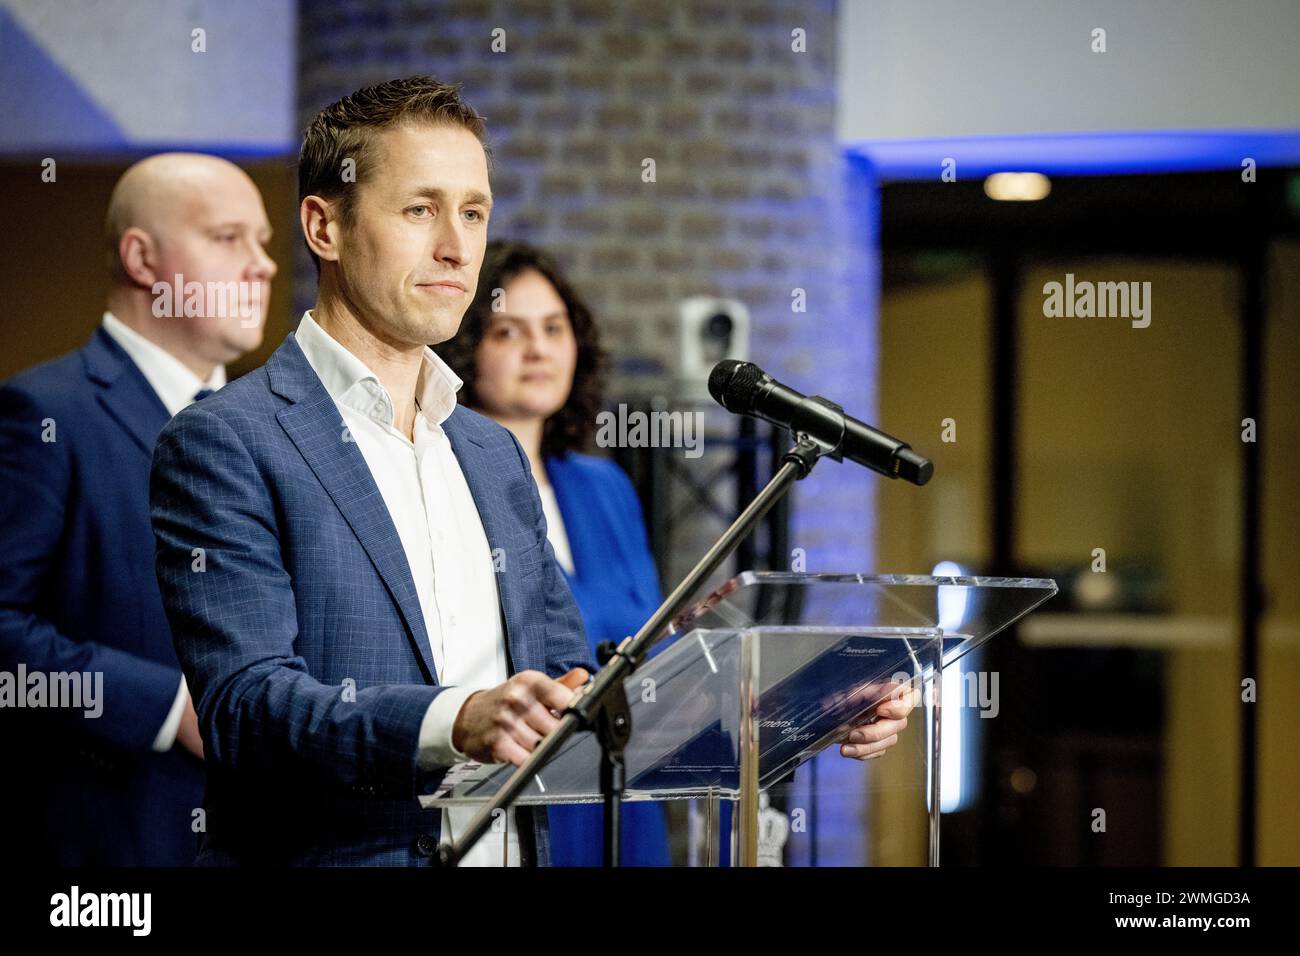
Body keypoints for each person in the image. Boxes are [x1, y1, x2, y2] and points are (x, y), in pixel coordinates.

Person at [148, 76, 593, 867]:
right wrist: (453, 722)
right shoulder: (224, 442)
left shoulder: (491, 453)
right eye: (420, 210)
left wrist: (786, 706)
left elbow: (569, 677)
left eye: (474, 212)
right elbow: (245, 709)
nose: (457, 246)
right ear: (324, 224)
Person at [436, 240, 919, 865]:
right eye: (509, 331)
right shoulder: (446, 483)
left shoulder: (601, 487)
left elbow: (657, 670)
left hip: (623, 803)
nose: (539, 349)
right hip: (519, 805)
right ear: (467, 347)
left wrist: (819, 704)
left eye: (555, 328)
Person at [0, 152, 276, 865]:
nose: (264, 266)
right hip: (112, 841)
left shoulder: (278, 426)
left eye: (264, 243)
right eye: (228, 238)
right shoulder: (46, 413)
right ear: (142, 258)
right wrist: (165, 706)